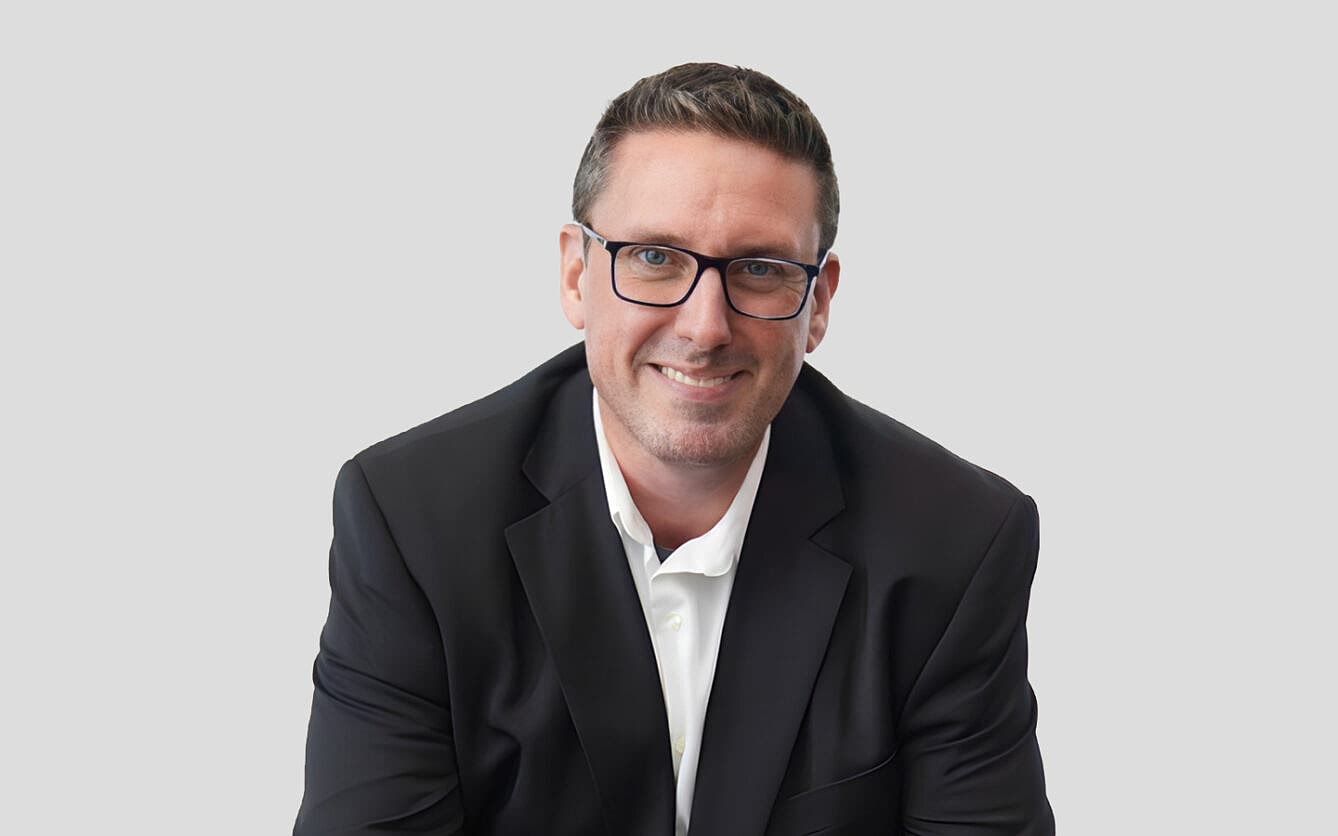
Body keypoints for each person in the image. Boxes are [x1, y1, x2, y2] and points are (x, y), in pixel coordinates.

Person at [294, 62, 1054, 836]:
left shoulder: (955, 541)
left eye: (759, 269)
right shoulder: (412, 521)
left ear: (817, 304)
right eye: (656, 257)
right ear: (575, 275)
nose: (704, 327)